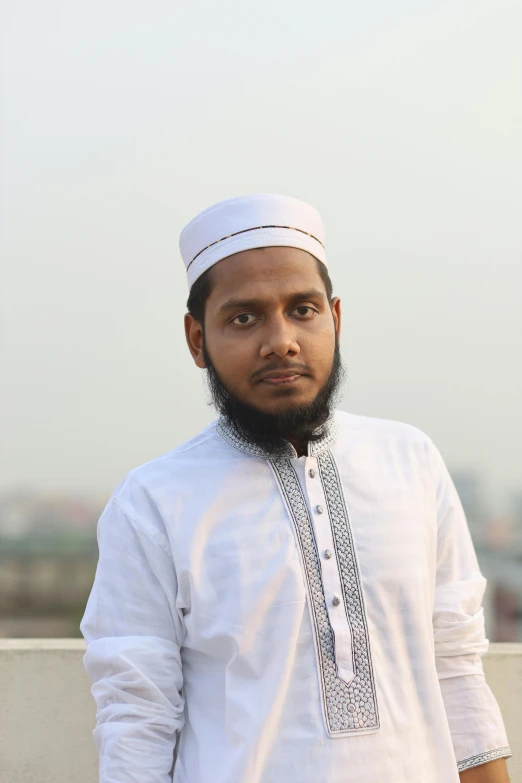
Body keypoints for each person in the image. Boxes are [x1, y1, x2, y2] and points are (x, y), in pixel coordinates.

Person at [80, 194, 512, 783]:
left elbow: (456, 668)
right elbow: (137, 713)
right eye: (244, 317)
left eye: (302, 310)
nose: (280, 340)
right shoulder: (153, 501)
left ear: (335, 317)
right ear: (196, 340)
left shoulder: (411, 461)